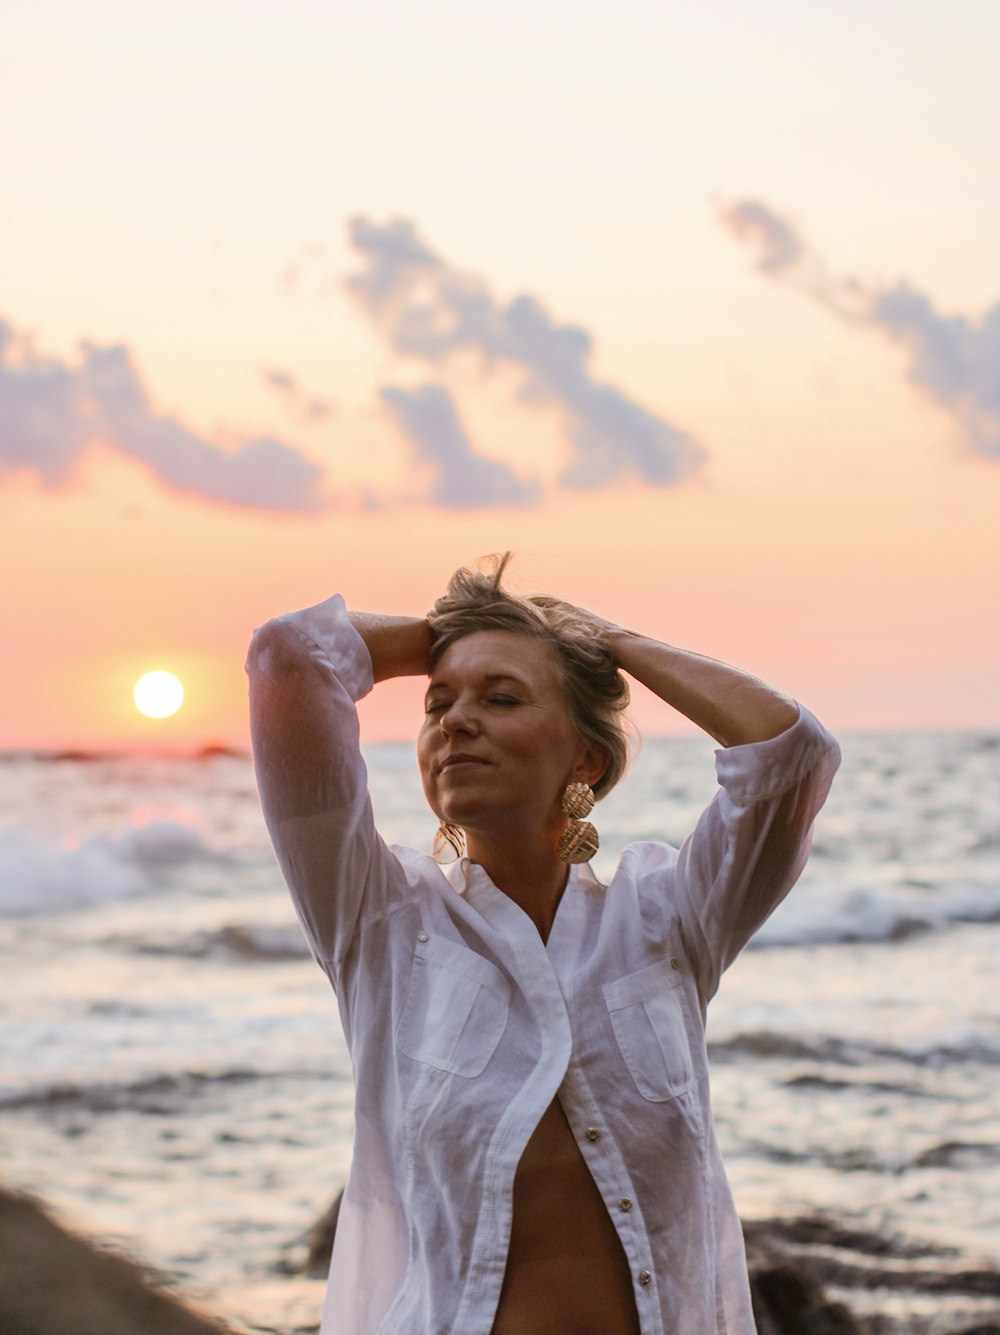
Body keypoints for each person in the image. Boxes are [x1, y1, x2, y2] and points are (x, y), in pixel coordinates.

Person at [246, 555, 840, 1335]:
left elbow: (789, 752)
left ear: (585, 759)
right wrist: (459, 634)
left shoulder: (667, 916)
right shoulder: (381, 922)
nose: (455, 720)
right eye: (438, 703)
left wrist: (609, 641)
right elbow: (289, 657)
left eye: (502, 697)